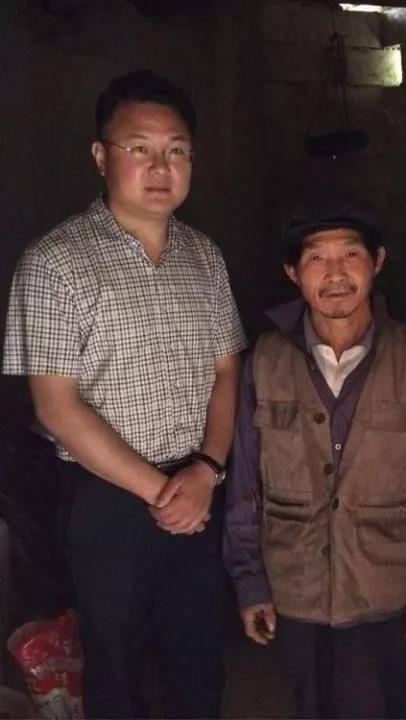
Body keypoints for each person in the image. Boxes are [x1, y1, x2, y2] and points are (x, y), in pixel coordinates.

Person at [3, 70, 245, 719]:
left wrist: (207, 470)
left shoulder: (205, 257)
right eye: (140, 147)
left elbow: (227, 372)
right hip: (106, 501)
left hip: (199, 485)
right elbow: (56, 405)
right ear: (101, 156)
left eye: (176, 149)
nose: (161, 167)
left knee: (199, 657)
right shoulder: (54, 262)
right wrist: (163, 493)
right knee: (115, 667)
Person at [224, 203, 406, 719]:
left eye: (350, 255)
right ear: (293, 273)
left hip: (388, 587)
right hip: (294, 587)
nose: (335, 273)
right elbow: (245, 482)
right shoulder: (262, 361)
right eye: (317, 258)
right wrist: (249, 581)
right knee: (308, 707)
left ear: (376, 262)